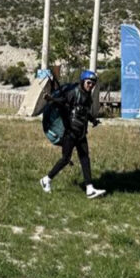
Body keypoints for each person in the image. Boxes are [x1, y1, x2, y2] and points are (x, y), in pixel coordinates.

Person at [40, 70, 107, 199]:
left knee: (85, 158)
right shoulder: (73, 93)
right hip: (69, 133)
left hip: (81, 132)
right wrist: (51, 99)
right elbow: (62, 102)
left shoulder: (88, 97)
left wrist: (93, 120)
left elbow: (84, 112)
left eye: (93, 83)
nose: (90, 85)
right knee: (65, 159)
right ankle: (46, 180)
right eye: (88, 83)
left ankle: (89, 188)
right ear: (83, 82)